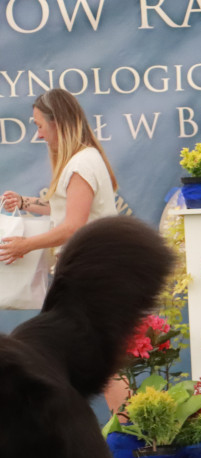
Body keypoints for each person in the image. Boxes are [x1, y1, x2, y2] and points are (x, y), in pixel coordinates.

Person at [2, 88, 124, 409]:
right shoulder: (84, 159)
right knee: (99, 363)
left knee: (100, 365)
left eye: (40, 125)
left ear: (60, 123)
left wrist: (25, 245)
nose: (38, 134)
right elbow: (64, 213)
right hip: (91, 274)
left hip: (89, 276)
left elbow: (73, 226)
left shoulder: (80, 164)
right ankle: (133, 436)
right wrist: (27, 203)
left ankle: (132, 437)